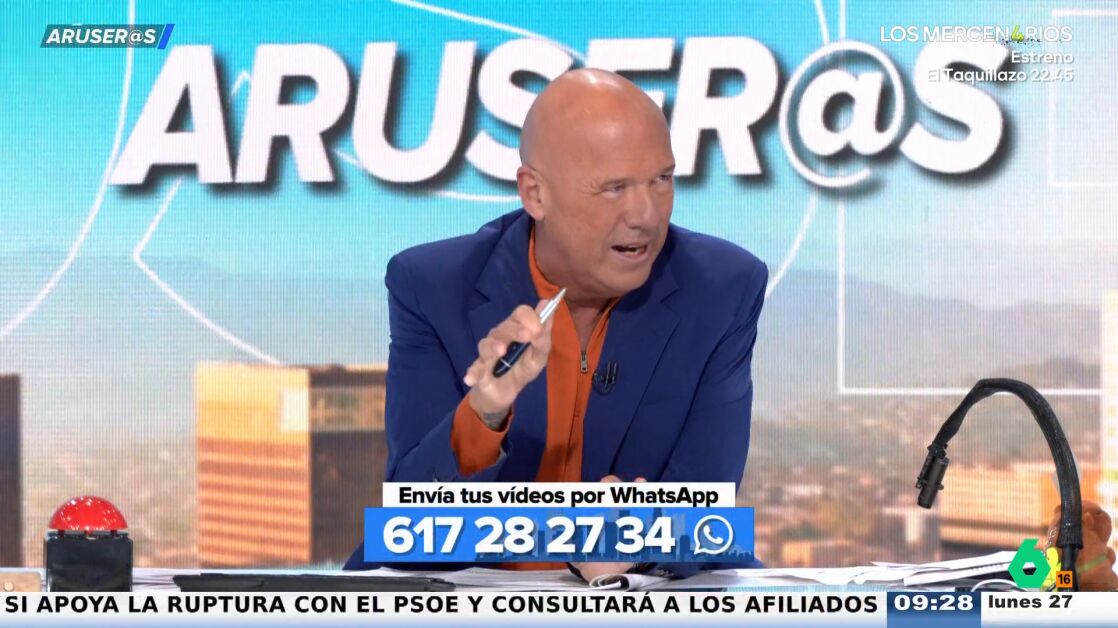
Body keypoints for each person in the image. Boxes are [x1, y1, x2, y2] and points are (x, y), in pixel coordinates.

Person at [344, 68, 768, 580]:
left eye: (662, 179)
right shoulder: (433, 286)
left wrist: (632, 547)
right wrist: (485, 413)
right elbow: (412, 528)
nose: (646, 215)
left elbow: (707, 512)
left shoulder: (722, 287)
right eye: (614, 188)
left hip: (643, 591)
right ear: (535, 194)